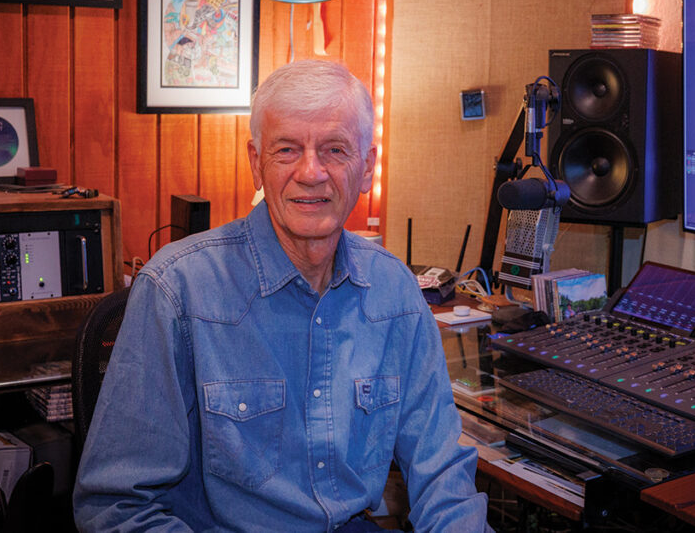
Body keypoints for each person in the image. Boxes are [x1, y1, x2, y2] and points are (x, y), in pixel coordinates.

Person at [73, 59, 491, 532]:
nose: (311, 172)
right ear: (257, 164)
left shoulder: (395, 291)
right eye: (287, 149)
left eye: (335, 149)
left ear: (367, 167)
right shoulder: (177, 290)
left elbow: (442, 475)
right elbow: (114, 507)